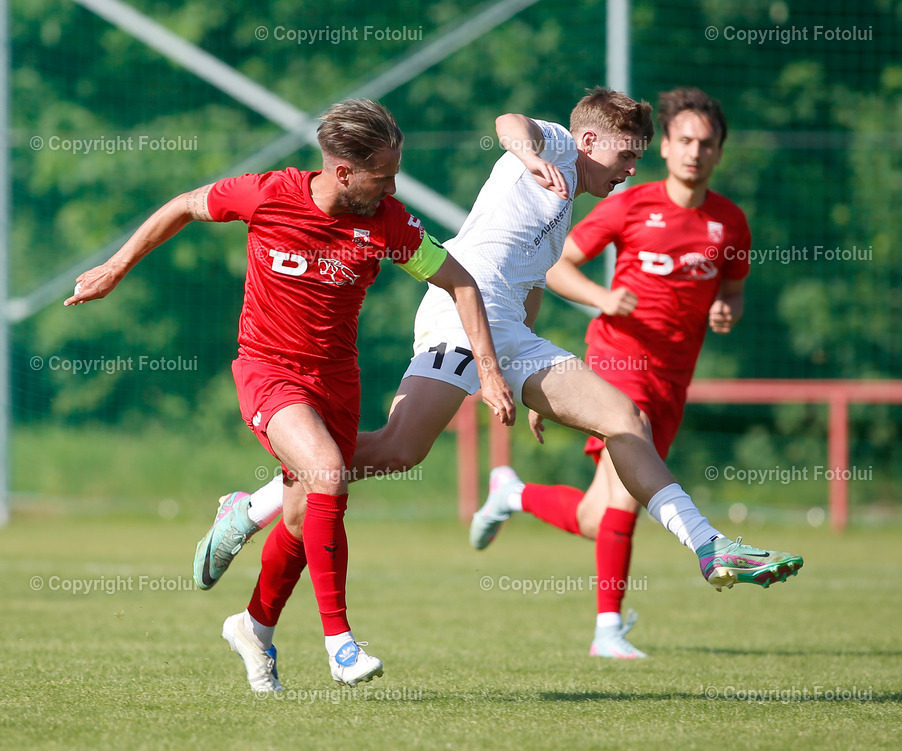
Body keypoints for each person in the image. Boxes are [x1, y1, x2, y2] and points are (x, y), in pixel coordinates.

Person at [193, 88, 803, 661]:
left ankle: (708, 544)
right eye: (625, 155)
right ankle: (253, 506)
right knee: (399, 449)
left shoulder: (569, 205)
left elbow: (532, 288)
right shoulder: (560, 148)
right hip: (459, 314)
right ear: (588, 143)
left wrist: (538, 386)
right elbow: (508, 123)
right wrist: (531, 153)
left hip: (510, 329)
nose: (629, 170)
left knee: (624, 417)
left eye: (639, 159)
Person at [64, 99, 516, 693]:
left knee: (307, 511)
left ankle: (253, 620)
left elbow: (458, 280)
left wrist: (487, 371)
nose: (394, 185)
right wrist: (116, 266)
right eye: (384, 174)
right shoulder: (267, 194)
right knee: (328, 473)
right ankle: (341, 644)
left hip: (337, 383)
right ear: (345, 172)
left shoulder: (390, 224)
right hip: (268, 370)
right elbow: (182, 205)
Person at [477, 87, 752, 659]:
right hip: (619, 362)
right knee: (626, 503)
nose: (694, 153)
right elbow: (558, 272)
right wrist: (604, 299)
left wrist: (727, 309)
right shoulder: (630, 205)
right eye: (684, 141)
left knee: (595, 514)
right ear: (670, 147)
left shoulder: (729, 223)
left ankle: (513, 494)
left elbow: (732, 293)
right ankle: (608, 630)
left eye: (707, 144)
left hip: (674, 377)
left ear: (719, 151)